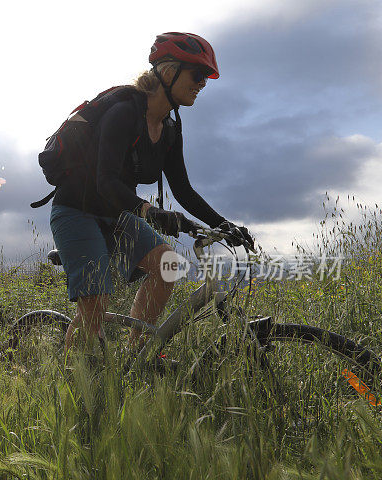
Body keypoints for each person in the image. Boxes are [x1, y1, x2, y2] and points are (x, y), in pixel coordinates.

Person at [49, 32, 253, 360]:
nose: (202, 84)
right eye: (197, 75)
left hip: (116, 214)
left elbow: (183, 189)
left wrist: (225, 225)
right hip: (76, 211)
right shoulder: (124, 113)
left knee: (169, 264)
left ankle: (137, 354)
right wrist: (153, 213)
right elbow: (106, 182)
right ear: (169, 72)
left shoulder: (170, 128)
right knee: (95, 305)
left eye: (206, 79)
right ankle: (73, 382)